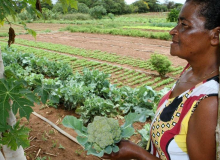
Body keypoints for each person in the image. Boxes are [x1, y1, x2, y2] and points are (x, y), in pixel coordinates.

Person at [102, 0, 220, 159]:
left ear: (215, 36)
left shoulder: (208, 102)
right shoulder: (189, 71)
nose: (173, 31)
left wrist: (136, 152)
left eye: (184, 25)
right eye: (177, 23)